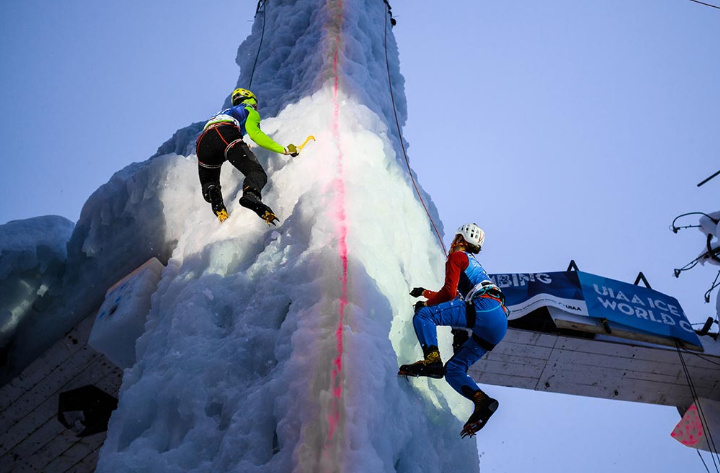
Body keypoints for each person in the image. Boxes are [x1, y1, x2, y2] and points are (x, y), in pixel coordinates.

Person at [398, 223, 509, 438]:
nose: (451, 242)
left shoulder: (458, 257)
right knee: (454, 370)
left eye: (455, 237)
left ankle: (432, 360)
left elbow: (449, 294)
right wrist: (426, 293)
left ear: (462, 239)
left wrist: (426, 305)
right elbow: (456, 299)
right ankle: (482, 402)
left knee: (424, 315)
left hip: (485, 309)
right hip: (498, 322)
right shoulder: (474, 266)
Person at [195, 87, 298, 225]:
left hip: (202, 144)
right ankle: (251, 195)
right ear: (252, 101)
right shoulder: (249, 109)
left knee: (210, 183)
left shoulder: (226, 113)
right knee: (256, 172)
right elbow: (255, 134)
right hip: (225, 134)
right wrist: (283, 150)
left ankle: (218, 204)